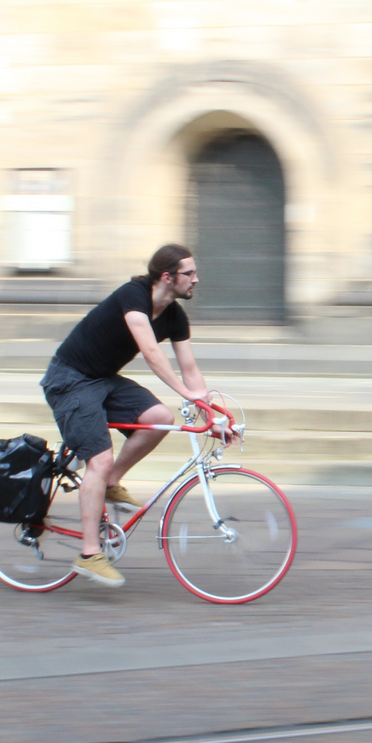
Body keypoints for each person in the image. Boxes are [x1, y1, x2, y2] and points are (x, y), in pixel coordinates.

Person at [41, 243, 223, 587]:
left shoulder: (174, 316)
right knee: (98, 458)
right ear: (167, 277)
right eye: (190, 273)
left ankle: (111, 482)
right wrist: (184, 393)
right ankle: (90, 554)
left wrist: (212, 415)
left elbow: (191, 370)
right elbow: (151, 352)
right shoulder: (133, 295)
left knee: (160, 417)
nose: (196, 280)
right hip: (70, 379)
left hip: (103, 380)